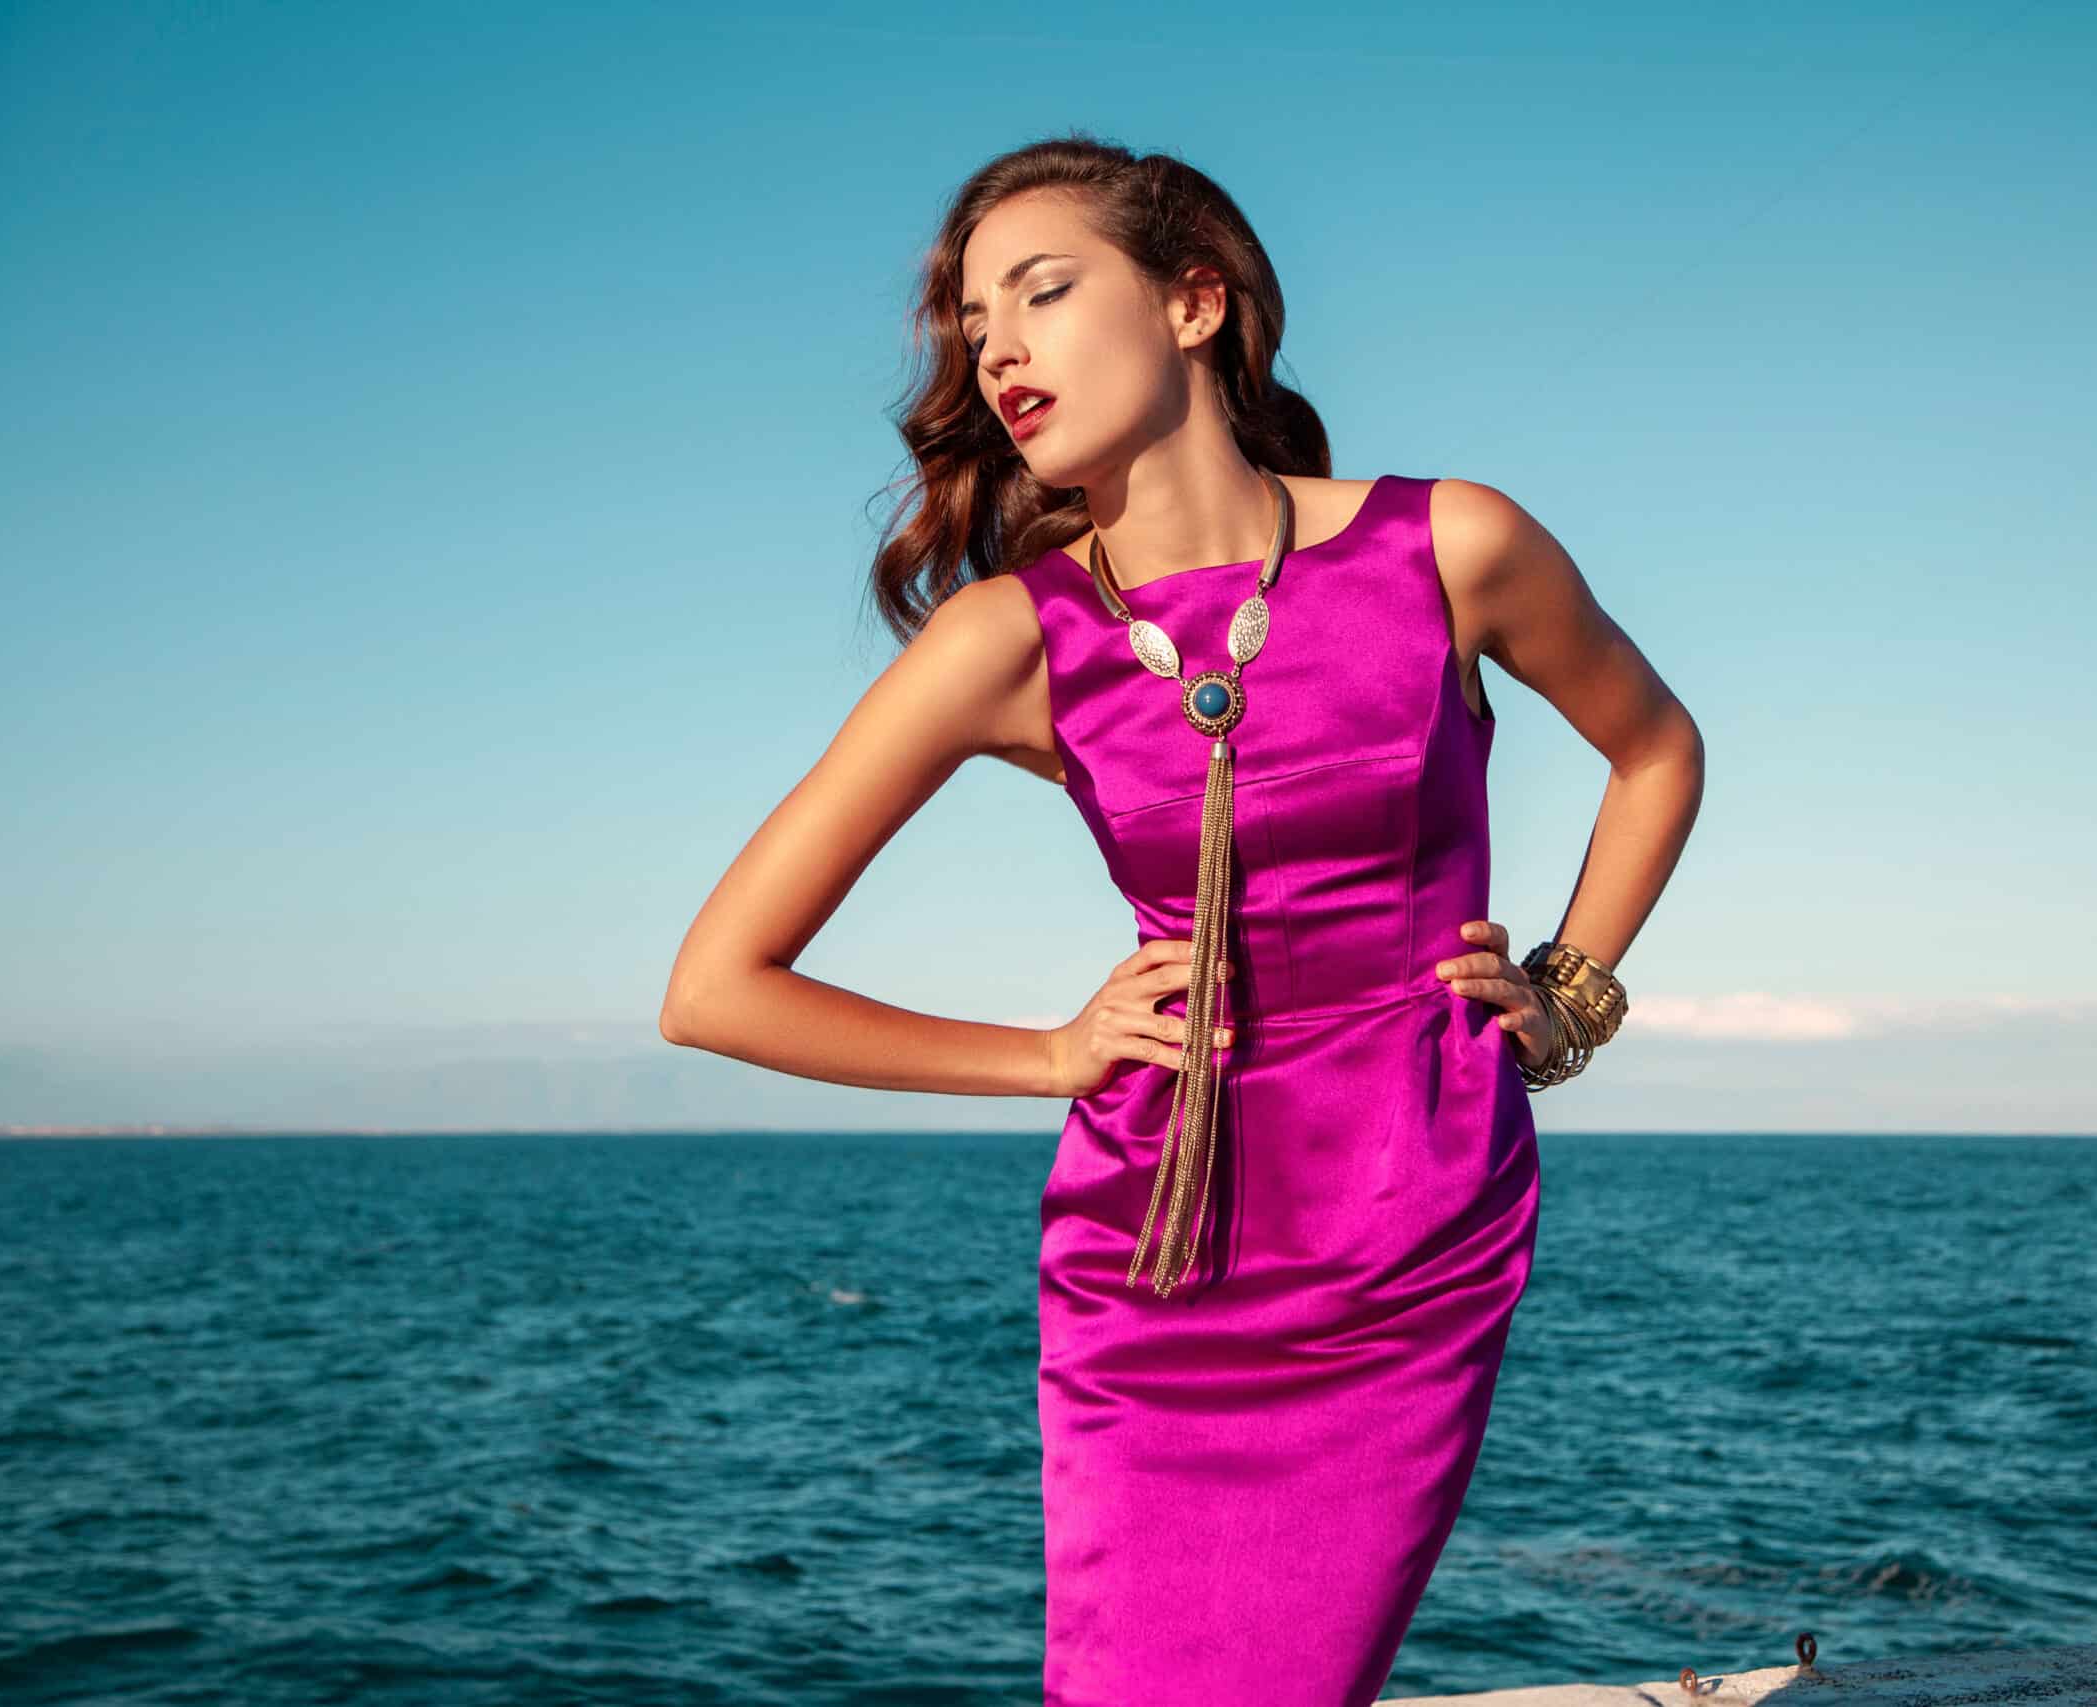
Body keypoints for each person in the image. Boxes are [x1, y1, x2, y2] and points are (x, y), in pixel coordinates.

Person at [660, 134, 1704, 1707]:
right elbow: (717, 987)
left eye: (1043, 289)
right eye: (971, 321)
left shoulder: (1451, 545)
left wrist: (1568, 996)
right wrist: (1055, 1054)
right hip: (1160, 1248)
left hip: (1409, 1220)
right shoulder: (1012, 637)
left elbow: (1656, 750)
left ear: (1195, 301)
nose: (997, 345)